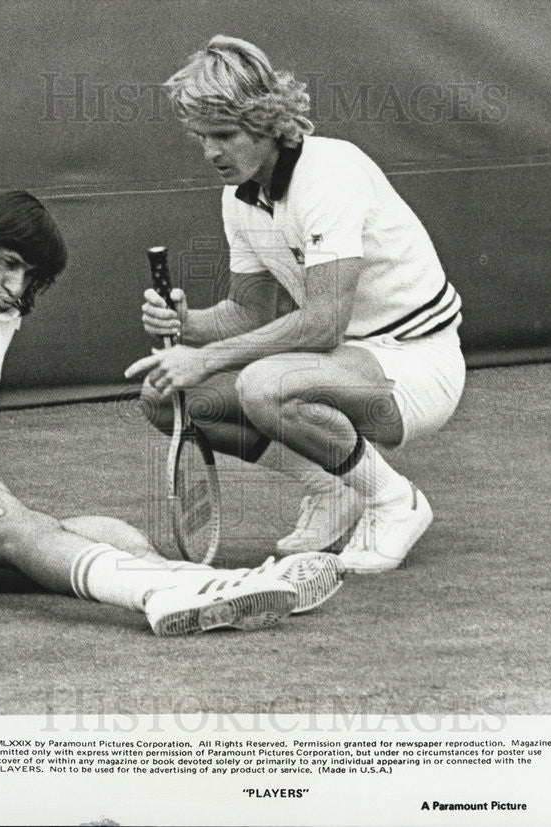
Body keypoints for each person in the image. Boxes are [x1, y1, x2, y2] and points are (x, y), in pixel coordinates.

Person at [0, 191, 343, 636]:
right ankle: (159, 594)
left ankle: (218, 588)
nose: (17, 288)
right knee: (17, 526)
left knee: (116, 538)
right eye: (8, 263)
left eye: (30, 276)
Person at [126, 36, 466, 574]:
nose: (211, 152)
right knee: (167, 398)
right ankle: (335, 490)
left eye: (224, 135)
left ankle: (395, 502)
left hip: (414, 365)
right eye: (201, 137)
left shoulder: (330, 172)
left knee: (266, 385)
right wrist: (187, 324)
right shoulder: (239, 195)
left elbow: (325, 323)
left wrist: (209, 355)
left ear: (267, 122)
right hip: (337, 363)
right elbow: (251, 315)